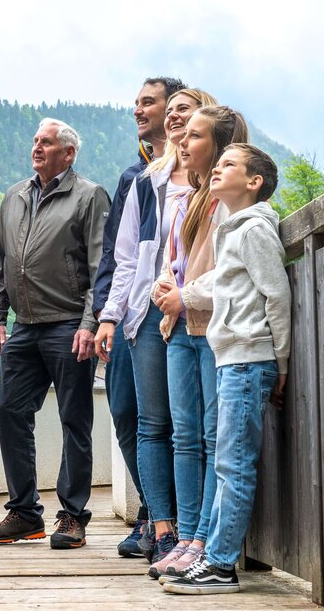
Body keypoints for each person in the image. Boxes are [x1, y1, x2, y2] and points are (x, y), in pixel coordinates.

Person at [95, 88, 218, 564]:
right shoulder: (148, 180)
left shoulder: (217, 180)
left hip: (197, 312)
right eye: (168, 113)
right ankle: (163, 527)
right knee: (152, 421)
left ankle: (197, 533)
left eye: (181, 110)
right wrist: (111, 315)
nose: (171, 118)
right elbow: (125, 256)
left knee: (194, 425)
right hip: (148, 311)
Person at [163, 144, 290, 594]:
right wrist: (184, 291)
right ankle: (214, 558)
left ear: (254, 182)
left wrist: (281, 362)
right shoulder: (233, 230)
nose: (217, 169)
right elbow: (221, 281)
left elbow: (276, 294)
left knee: (234, 465)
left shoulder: (254, 229)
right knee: (226, 463)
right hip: (230, 358)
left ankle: (219, 566)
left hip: (248, 359)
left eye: (229, 165)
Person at [0, 118, 111, 549]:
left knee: (75, 420)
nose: (37, 147)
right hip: (24, 329)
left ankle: (72, 517)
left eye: (47, 142)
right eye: (35, 140)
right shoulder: (15, 197)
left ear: (68, 153)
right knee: (11, 413)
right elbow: (1, 262)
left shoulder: (89, 196)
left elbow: (100, 268)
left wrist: (90, 323)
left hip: (71, 326)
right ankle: (24, 514)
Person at [148, 106, 249, 579]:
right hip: (177, 329)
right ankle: (187, 536)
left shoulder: (227, 200)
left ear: (221, 145)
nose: (182, 144)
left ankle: (205, 541)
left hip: (210, 330)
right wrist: (163, 287)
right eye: (182, 136)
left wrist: (182, 295)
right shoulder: (188, 200)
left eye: (194, 136)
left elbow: (225, 270)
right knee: (184, 439)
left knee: (211, 439)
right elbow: (174, 261)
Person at [92, 77, 186, 559]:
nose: (137, 110)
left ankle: (164, 522)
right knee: (128, 412)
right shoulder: (135, 178)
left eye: (147, 101)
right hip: (132, 315)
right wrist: (101, 317)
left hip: (178, 309)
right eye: (137, 102)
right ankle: (154, 513)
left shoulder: (197, 175)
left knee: (177, 421)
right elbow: (117, 255)